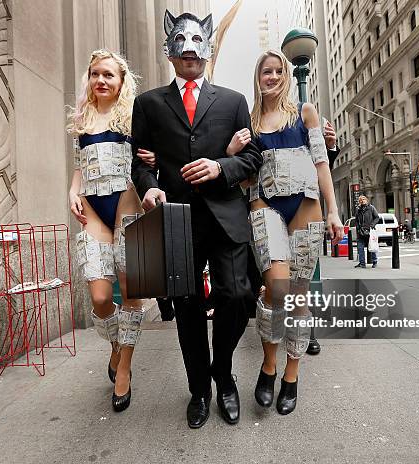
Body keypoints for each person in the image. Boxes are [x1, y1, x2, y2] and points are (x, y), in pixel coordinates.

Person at [131, 10, 262, 429]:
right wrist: (149, 185)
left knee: (238, 295)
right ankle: (199, 390)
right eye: (181, 46)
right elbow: (140, 162)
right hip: (177, 220)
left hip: (225, 215)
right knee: (187, 308)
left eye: (196, 46)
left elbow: (252, 158)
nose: (190, 53)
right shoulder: (148, 104)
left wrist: (221, 167)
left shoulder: (233, 101)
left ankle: (222, 373)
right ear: (170, 51)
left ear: (207, 50)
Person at [230, 49, 343, 415]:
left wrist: (335, 212)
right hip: (266, 205)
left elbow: (322, 164)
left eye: (280, 70)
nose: (274, 76)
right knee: (276, 287)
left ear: (287, 76)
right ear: (258, 76)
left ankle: (291, 375)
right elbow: (243, 176)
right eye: (267, 71)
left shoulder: (305, 114)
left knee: (298, 295)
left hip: (306, 206)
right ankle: (268, 364)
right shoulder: (247, 123)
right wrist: (231, 150)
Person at [67, 49, 147, 412]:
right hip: (93, 209)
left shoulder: (132, 116)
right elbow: (79, 166)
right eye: (95, 74)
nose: (101, 80)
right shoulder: (82, 119)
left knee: (131, 293)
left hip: (128, 203)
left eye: (108, 75)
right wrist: (72, 189)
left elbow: (150, 155)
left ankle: (125, 366)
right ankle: (116, 347)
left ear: (121, 82)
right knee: (100, 297)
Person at [354, 195, 380, 268]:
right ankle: (362, 263)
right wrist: (358, 228)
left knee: (372, 246)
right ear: (359, 202)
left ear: (366, 200)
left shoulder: (371, 208)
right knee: (360, 248)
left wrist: (372, 225)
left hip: (369, 231)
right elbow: (356, 220)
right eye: (360, 200)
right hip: (361, 231)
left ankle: (374, 262)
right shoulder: (358, 209)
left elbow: (377, 217)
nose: (362, 200)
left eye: (363, 199)